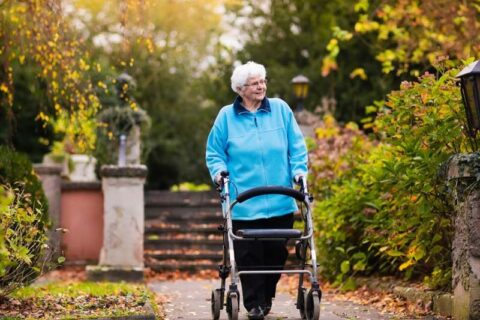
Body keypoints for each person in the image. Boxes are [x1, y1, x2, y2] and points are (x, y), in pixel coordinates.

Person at [205, 61, 308, 320]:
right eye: (255, 83)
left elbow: (297, 146)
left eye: (263, 81)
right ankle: (254, 304)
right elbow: (215, 153)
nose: (261, 86)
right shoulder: (226, 117)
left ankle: (265, 298)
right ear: (241, 89)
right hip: (243, 202)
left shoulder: (281, 110)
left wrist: (299, 170)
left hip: (280, 198)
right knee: (248, 255)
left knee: (276, 252)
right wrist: (219, 173)